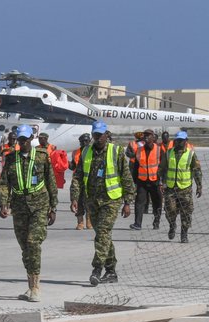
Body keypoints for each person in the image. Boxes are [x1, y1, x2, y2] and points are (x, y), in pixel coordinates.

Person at [0, 125, 57, 302]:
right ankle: (30, 284)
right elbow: (4, 183)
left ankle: (35, 287)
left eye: (25, 139)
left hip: (39, 205)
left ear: (31, 139)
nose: (22, 142)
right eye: (19, 139)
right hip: (19, 207)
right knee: (25, 247)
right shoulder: (11, 159)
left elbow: (51, 182)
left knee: (33, 243)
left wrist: (53, 207)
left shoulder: (42, 157)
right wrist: (3, 204)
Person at [70, 121, 135, 286]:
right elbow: (77, 176)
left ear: (107, 135)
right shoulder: (86, 151)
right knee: (102, 235)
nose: (98, 138)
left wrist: (128, 201)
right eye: (96, 135)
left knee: (103, 232)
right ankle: (111, 271)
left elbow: (126, 177)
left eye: (101, 135)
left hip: (111, 200)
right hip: (92, 200)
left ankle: (97, 269)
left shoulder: (116, 151)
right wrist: (74, 198)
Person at [160, 131, 202, 243]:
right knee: (170, 210)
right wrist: (160, 182)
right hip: (170, 188)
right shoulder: (168, 153)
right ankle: (172, 225)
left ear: (186, 141)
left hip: (185, 189)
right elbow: (162, 169)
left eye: (181, 140)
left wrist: (199, 186)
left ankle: (184, 234)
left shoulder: (191, 154)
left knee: (186, 212)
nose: (179, 142)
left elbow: (197, 170)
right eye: (177, 140)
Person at [128, 129, 163, 231]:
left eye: (149, 135)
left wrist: (162, 181)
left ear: (153, 137)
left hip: (155, 181)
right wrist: (134, 181)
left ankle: (156, 222)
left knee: (157, 202)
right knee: (139, 202)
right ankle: (137, 224)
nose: (146, 137)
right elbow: (136, 166)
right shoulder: (139, 150)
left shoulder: (159, 150)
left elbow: (164, 166)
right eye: (145, 135)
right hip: (142, 181)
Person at [69, 133, 92, 229]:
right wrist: (66, 163)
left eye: (86, 141)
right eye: (82, 141)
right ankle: (80, 222)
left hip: (89, 180)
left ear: (89, 141)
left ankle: (89, 221)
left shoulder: (92, 151)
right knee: (77, 200)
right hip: (77, 179)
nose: (84, 143)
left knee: (89, 202)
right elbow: (73, 166)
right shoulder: (76, 152)